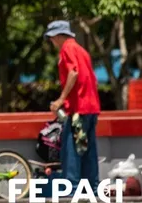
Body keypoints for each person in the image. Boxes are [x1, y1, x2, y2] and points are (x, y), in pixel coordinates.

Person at [44, 20, 101, 191]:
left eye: (52, 38)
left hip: (78, 109)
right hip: (91, 108)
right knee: (88, 150)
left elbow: (73, 72)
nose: (52, 42)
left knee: (72, 150)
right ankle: (93, 188)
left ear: (58, 36)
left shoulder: (67, 49)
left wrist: (61, 99)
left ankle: (73, 189)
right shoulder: (82, 51)